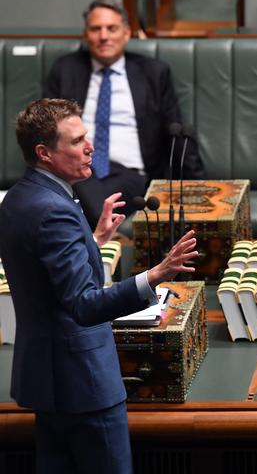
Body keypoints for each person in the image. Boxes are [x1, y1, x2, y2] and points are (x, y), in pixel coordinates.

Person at [0, 98, 199, 474]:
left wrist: (93, 240)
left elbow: (47, 278)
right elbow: (84, 305)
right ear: (44, 152)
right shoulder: (55, 209)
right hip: (84, 382)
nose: (90, 147)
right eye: (76, 141)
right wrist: (155, 274)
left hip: (47, 380)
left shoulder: (20, 198)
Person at [44, 0, 205, 228]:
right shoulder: (65, 70)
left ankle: (98, 233)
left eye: (112, 28)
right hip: (78, 168)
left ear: (127, 33)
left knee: (72, 192)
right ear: (86, 34)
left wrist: (199, 184)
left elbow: (176, 129)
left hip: (130, 175)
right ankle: (107, 235)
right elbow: (46, 129)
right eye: (95, 29)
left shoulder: (153, 73)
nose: (104, 36)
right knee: (74, 176)